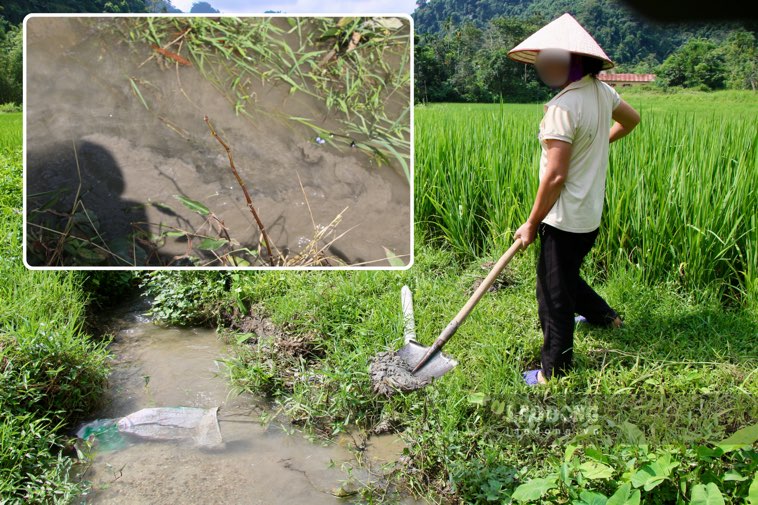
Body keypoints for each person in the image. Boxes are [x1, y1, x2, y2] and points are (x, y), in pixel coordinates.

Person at [507, 14, 641, 385]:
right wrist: (594, 145)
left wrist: (532, 223)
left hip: (563, 219)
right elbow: (632, 120)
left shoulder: (562, 108)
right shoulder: (601, 91)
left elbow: (556, 175)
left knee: (552, 295)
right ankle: (605, 317)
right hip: (589, 216)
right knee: (563, 275)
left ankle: (554, 372)